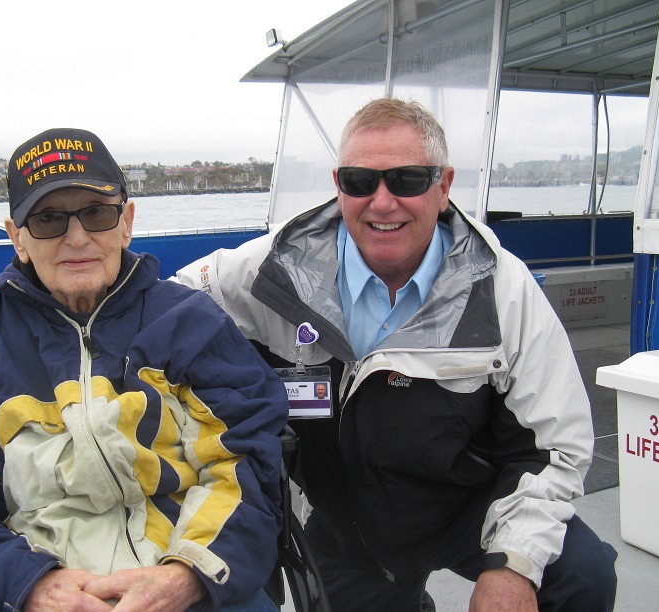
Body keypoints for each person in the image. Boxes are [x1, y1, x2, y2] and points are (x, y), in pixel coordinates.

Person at [170, 99, 618, 611]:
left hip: (470, 504)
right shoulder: (273, 272)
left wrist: (513, 566)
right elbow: (170, 307)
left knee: (582, 575)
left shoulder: (501, 290)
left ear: (444, 186)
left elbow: (557, 444)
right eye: (361, 181)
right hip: (344, 520)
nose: (382, 202)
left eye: (407, 180)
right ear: (339, 184)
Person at [0, 128, 288, 611]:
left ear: (126, 223)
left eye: (96, 213)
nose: (77, 237)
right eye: (48, 219)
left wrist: (187, 574)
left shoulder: (192, 323)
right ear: (16, 238)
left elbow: (247, 462)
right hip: (37, 584)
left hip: (191, 573)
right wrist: (30, 589)